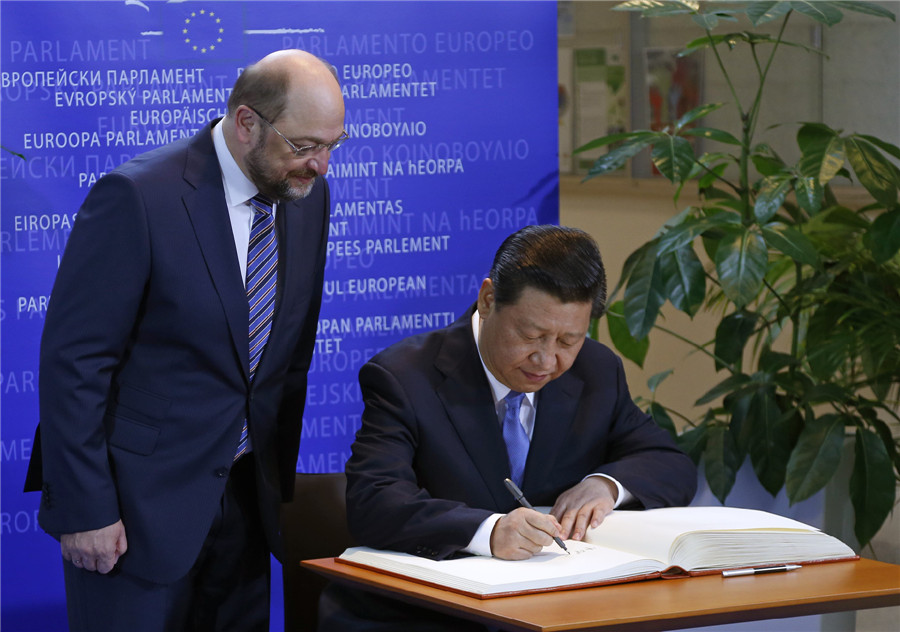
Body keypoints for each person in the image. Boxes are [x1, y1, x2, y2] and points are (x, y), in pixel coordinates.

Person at [23, 49, 346, 631]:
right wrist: (84, 508)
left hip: (248, 508)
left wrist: (275, 488)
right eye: (305, 147)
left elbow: (288, 354)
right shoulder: (139, 197)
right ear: (247, 122)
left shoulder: (307, 197)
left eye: (332, 146)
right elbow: (75, 362)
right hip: (132, 517)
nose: (320, 166)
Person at [320, 224, 698, 630]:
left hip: (551, 614)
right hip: (422, 617)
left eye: (568, 341)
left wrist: (605, 485)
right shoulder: (405, 376)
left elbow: (669, 462)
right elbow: (374, 502)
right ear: (487, 300)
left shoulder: (596, 370)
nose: (547, 360)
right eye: (531, 335)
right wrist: (490, 531)